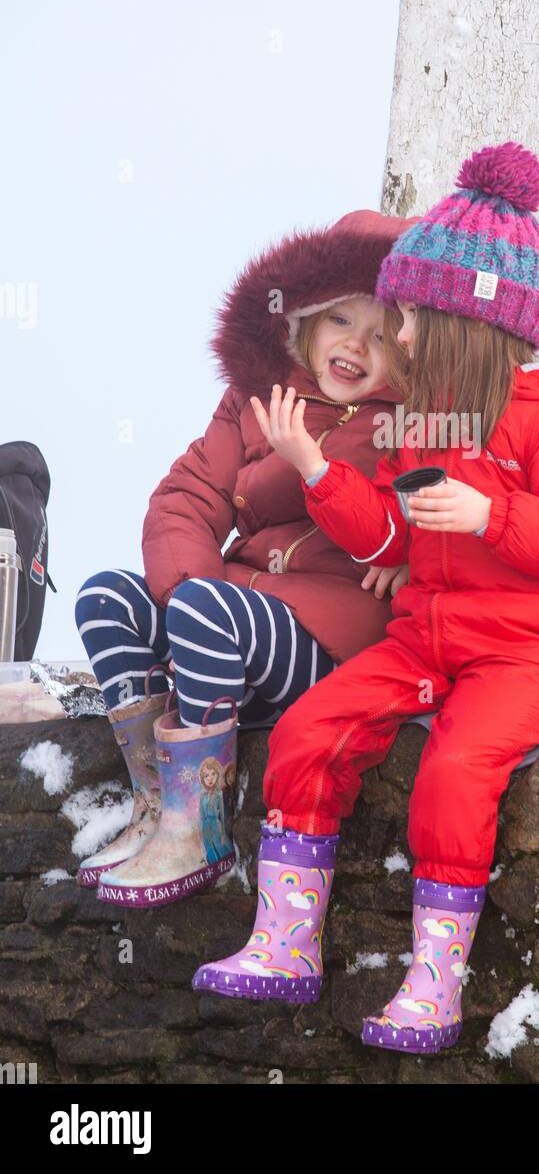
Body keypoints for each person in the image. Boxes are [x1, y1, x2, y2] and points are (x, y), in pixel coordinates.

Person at [191, 142, 539, 1055]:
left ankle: (436, 982)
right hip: (427, 640)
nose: (403, 336)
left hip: (529, 655)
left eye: (417, 314)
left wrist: (492, 512)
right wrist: (315, 471)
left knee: (456, 771)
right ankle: (285, 942)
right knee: (310, 730)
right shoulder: (426, 420)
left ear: (471, 319)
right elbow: (387, 536)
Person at [72, 208, 418, 906]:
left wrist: (410, 553)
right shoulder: (256, 399)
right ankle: (156, 798)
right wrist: (187, 605)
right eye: (341, 321)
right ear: (304, 321)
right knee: (106, 595)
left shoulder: (409, 419)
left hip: (329, 635)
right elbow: (188, 497)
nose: (357, 345)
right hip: (231, 614)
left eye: (381, 334)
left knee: (207, 607)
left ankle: (198, 826)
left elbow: (436, 508)